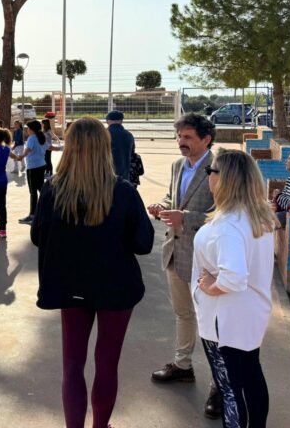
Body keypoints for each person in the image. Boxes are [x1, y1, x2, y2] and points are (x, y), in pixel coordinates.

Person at [31, 117, 155, 428]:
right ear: (105, 147)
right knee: (107, 363)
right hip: (116, 287)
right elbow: (144, 243)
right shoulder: (123, 191)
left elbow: (37, 237)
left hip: (69, 285)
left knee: (72, 364)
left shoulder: (52, 190)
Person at [146, 113, 222, 419]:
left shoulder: (220, 167)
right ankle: (182, 365)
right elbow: (172, 196)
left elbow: (224, 212)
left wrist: (186, 218)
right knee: (183, 314)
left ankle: (220, 384)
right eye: (179, 136)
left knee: (214, 322)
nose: (181, 142)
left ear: (206, 139)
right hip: (175, 252)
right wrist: (162, 206)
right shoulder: (178, 165)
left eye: (188, 137)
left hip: (206, 260)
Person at [194, 149, 275, 428]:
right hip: (248, 314)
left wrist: (210, 286)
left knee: (231, 388)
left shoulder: (228, 225)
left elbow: (234, 277)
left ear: (224, 178)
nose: (208, 175)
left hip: (226, 320)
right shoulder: (255, 216)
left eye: (211, 171)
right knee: (250, 379)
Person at [12, 120, 47, 225]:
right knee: (41, 189)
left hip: (33, 167)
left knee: (33, 192)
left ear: (32, 129)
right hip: (41, 165)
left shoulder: (32, 138)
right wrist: (60, 148)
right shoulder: (41, 137)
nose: (26, 130)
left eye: (27, 128)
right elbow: (48, 147)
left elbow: (28, 150)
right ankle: (47, 211)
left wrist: (21, 157)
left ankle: (32, 216)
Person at [105, 110, 135, 183]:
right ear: (121, 121)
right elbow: (132, 153)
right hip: (124, 175)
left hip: (106, 174)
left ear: (107, 121)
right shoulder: (128, 135)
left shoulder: (103, 134)